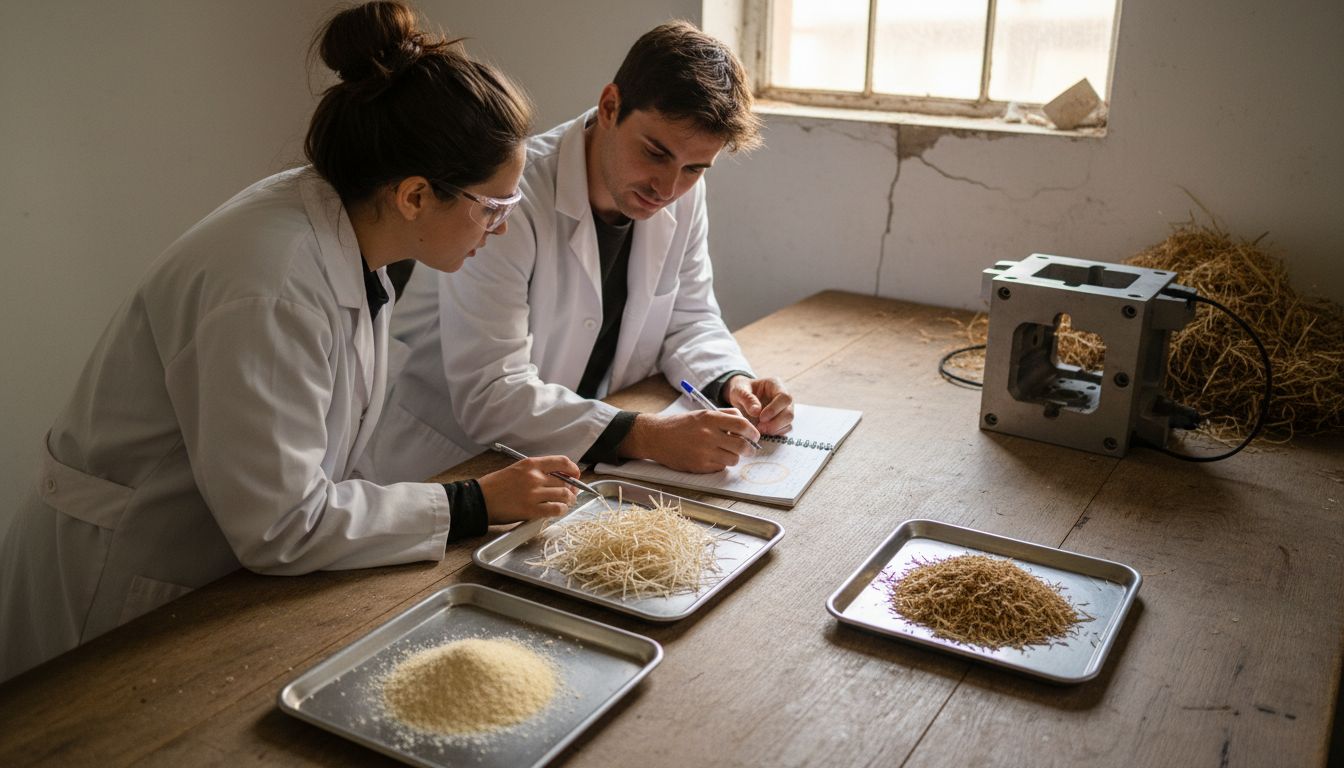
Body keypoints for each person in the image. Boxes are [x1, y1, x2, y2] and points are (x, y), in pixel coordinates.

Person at [0, 0, 579, 683]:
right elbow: (281, 522)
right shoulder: (272, 280)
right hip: (120, 575)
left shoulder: (349, 238)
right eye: (495, 206)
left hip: (208, 566)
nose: (502, 228)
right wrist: (474, 502)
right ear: (416, 196)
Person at [367, 21, 795, 485]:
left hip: (577, 462)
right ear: (610, 106)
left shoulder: (683, 191)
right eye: (655, 153)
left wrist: (731, 383)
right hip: (452, 465)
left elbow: (688, 318)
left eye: (694, 168)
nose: (668, 188)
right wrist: (651, 436)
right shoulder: (510, 197)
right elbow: (493, 393)